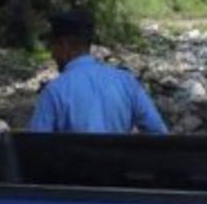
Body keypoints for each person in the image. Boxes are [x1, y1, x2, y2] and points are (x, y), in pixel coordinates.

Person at [28, 7, 168, 135]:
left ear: (65, 45)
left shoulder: (54, 91)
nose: (52, 55)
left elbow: (35, 147)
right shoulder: (127, 82)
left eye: (53, 47)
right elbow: (158, 132)